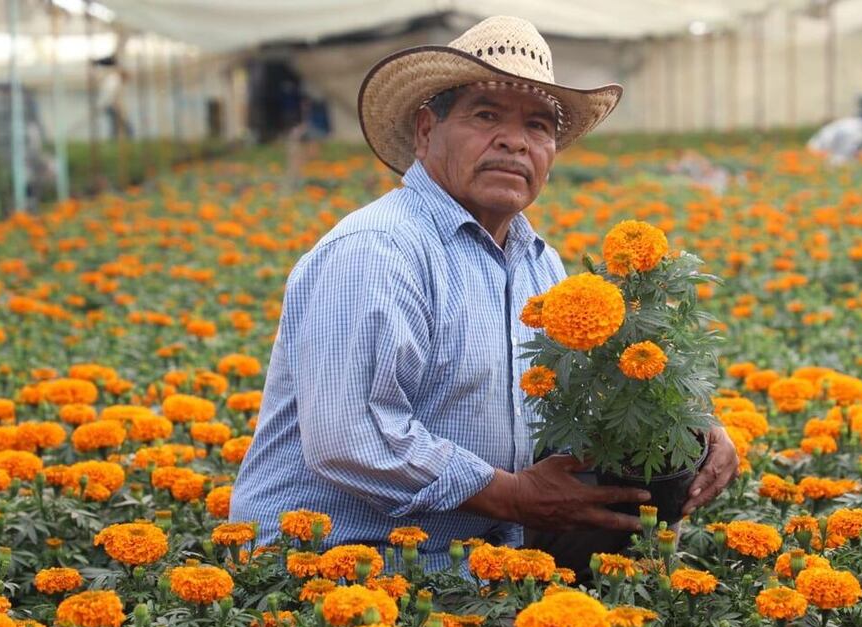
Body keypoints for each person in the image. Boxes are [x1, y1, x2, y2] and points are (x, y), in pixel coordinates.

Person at [229, 15, 740, 574]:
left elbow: (580, 402)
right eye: (486, 115)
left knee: (655, 530)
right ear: (427, 131)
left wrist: (687, 428)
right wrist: (513, 495)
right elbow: (352, 437)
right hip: (341, 561)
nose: (514, 141)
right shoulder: (378, 251)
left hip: (484, 553)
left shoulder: (539, 263)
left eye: (537, 126)